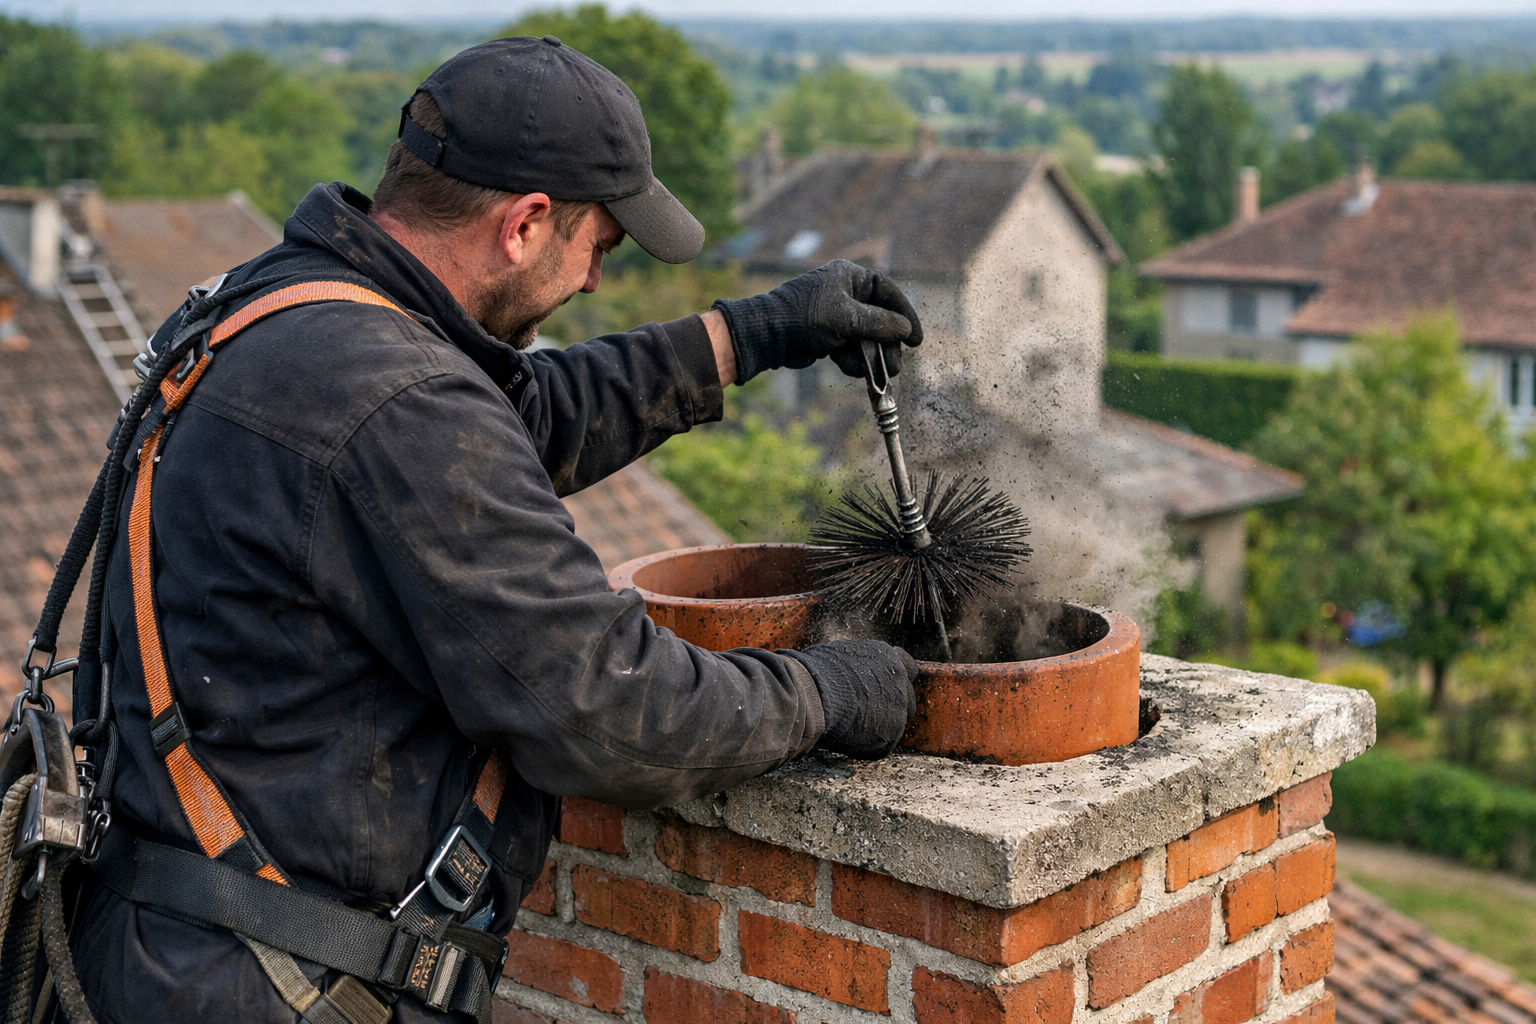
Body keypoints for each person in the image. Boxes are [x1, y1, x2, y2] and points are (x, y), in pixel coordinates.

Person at [74, 35, 923, 1024]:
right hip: (268, 986)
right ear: (524, 224)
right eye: (598, 246)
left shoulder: (281, 308)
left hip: (163, 947)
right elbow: (608, 713)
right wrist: (827, 692)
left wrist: (751, 333)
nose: (597, 281)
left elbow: (504, 420)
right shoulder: (396, 400)